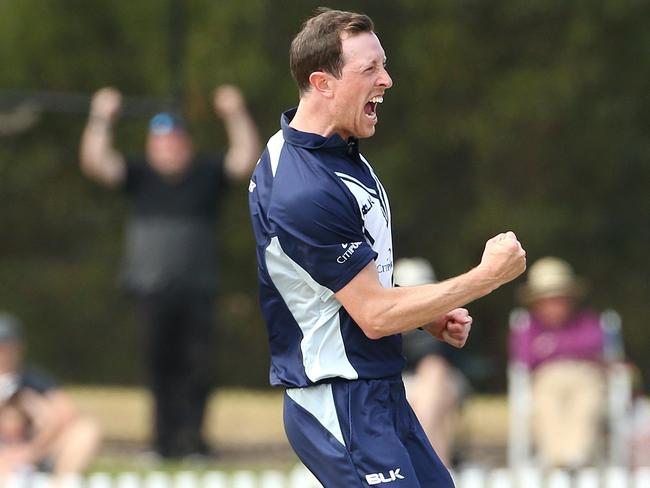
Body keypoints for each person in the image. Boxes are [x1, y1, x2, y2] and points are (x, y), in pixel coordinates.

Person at [247, 8, 526, 487]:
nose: (388, 80)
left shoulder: (333, 151)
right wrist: (486, 278)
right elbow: (373, 314)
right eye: (370, 69)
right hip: (341, 402)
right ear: (323, 82)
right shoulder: (304, 188)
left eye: (384, 64)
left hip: (376, 393)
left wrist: (423, 314)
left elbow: (340, 287)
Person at [79, 85, 261, 459]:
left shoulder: (205, 176)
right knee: (157, 365)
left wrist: (234, 113)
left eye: (175, 140)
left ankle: (194, 442)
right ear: (151, 145)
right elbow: (96, 163)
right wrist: (101, 118)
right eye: (161, 141)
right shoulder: (139, 176)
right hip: (150, 289)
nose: (168, 147)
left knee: (199, 367)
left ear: (186, 144)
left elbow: (244, 158)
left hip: (197, 288)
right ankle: (163, 444)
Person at [510, 256, 605, 469]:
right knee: (546, 402)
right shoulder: (528, 326)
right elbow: (525, 357)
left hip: (584, 378)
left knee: (586, 401)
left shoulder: (586, 320)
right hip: (546, 381)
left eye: (558, 299)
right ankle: (557, 459)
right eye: (547, 300)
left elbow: (593, 345)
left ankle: (574, 456)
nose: (553, 306)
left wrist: (552, 346)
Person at [0, 313, 101, 482]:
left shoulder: (32, 379)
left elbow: (67, 411)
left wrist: (34, 444)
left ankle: (62, 481)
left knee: (87, 429)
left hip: (35, 448)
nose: (4, 353)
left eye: (7, 346)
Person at [395, 258, 470, 468]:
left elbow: (451, 362)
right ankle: (434, 462)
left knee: (433, 371)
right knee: (425, 393)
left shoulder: (444, 318)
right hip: (401, 386)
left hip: (443, 384)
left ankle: (425, 454)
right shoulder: (384, 324)